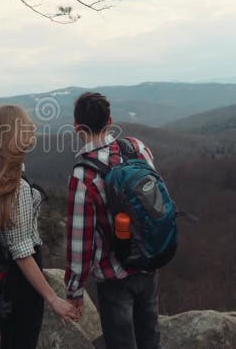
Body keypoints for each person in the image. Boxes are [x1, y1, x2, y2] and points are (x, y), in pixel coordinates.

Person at [0, 104, 80, 349]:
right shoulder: (13, 187)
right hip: (21, 282)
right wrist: (54, 300)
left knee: (12, 339)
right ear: (16, 136)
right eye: (27, 126)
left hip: (5, 279)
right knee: (22, 340)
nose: (33, 129)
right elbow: (21, 251)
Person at [64, 92, 161, 349]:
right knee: (151, 341)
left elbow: (80, 242)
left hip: (114, 277)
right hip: (148, 263)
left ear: (77, 128)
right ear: (110, 120)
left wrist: (74, 291)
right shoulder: (136, 148)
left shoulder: (84, 175)